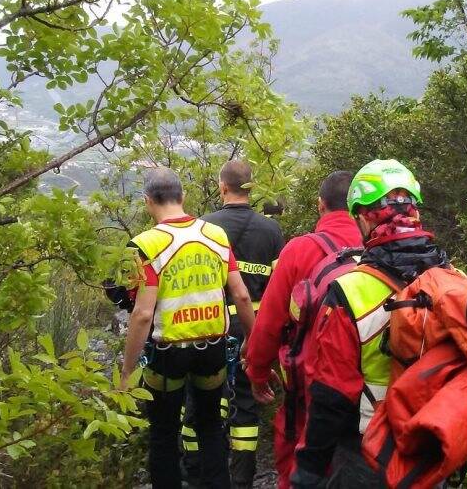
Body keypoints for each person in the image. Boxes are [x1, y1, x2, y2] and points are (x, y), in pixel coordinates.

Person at [291, 159, 450, 488]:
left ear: (364, 217)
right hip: (433, 447)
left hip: (368, 454)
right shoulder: (452, 280)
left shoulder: (350, 290)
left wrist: (307, 469)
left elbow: (331, 396)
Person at [120, 167, 255, 489]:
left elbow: (141, 314)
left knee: (164, 432)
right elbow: (241, 294)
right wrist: (253, 338)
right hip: (213, 349)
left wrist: (126, 372)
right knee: (211, 427)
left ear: (147, 201)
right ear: (183, 196)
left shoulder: (144, 245)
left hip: (168, 355)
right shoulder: (215, 236)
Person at [245, 170, 362, 489]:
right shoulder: (378, 246)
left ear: (320, 205)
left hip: (312, 391)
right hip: (372, 393)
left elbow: (269, 323)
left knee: (301, 468)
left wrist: (256, 373)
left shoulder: (300, 250)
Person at [182, 160, 285, 488]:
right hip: (254, 326)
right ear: (250, 188)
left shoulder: (203, 226)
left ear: (222, 187)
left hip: (212, 323)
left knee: (201, 400)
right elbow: (278, 288)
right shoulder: (271, 230)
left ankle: (196, 472)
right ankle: (242, 477)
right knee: (246, 402)